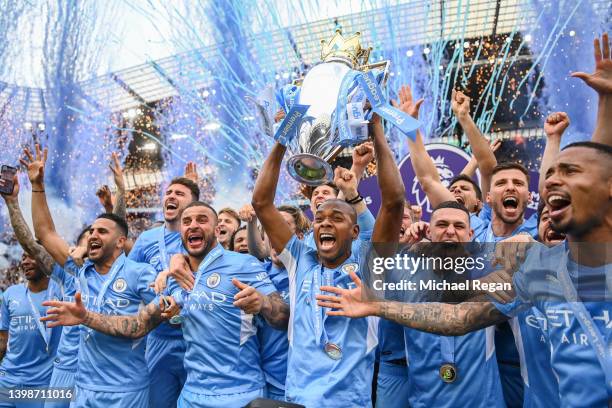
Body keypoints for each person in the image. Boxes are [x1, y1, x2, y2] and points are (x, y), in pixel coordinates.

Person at [319, 141, 612, 408]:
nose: (550, 182)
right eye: (550, 175)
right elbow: (459, 318)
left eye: (570, 171)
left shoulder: (510, 256)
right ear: (429, 232)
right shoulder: (540, 271)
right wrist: (375, 305)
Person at [43, 201, 286, 408]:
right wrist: (86, 317)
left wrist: (263, 303)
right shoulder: (173, 279)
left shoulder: (243, 264)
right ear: (180, 232)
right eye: (187, 221)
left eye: (202, 220)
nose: (193, 225)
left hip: (239, 394)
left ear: (216, 228)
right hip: (192, 396)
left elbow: (283, 316)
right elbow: (139, 325)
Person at [248, 108, 405, 406]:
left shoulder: (370, 264)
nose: (326, 222)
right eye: (319, 219)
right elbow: (261, 202)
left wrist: (377, 130)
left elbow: (395, 201)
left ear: (356, 231)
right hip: (297, 400)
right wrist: (283, 138)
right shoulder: (300, 260)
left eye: (337, 218)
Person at [127, 176, 199, 408]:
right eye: (169, 193)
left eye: (179, 194)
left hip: (196, 337)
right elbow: (128, 278)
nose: (171, 196)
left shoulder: (201, 238)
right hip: (158, 337)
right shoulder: (146, 238)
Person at [0, 252, 63, 408]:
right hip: (7, 380)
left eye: (31, 256)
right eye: (23, 258)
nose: (25, 262)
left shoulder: (61, 292)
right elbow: (2, 339)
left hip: (41, 383)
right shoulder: (11, 293)